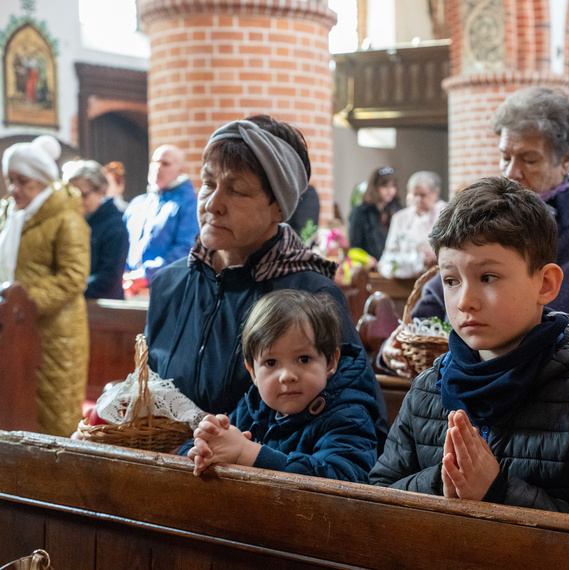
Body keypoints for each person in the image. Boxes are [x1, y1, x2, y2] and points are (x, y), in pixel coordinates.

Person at [369, 177, 569, 513]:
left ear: (546, 284)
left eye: (488, 278)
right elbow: (377, 497)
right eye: (451, 280)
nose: (465, 301)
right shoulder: (426, 390)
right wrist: (440, 480)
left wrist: (496, 491)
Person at [144, 115, 388, 447]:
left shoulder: (312, 294)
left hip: (262, 483)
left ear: (278, 207)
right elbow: (152, 390)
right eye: (208, 183)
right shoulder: (170, 285)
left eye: (237, 191)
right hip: (163, 473)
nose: (213, 204)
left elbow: (357, 429)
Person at [382, 87, 569, 378]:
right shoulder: (480, 224)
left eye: (529, 160)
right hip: (457, 392)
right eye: (505, 157)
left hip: (553, 405)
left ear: (567, 158)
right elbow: (431, 304)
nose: (511, 172)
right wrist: (398, 343)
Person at [182, 289, 379, 482]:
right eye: (271, 363)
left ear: (330, 362)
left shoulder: (349, 417)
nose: (287, 376)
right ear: (252, 372)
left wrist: (247, 453)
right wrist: (205, 447)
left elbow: (343, 483)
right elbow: (206, 448)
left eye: (303, 359)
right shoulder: (251, 409)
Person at [0, 135, 90, 436]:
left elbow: (74, 276)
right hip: (11, 330)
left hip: (54, 334)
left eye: (23, 181)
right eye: (10, 180)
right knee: (14, 410)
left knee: (54, 418)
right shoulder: (10, 216)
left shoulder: (66, 218)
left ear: (41, 180)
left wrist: (24, 305)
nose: (14, 189)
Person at [123, 144, 199, 286]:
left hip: (165, 286)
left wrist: (147, 275)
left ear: (180, 171)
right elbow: (122, 244)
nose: (157, 168)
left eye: (165, 164)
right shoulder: (138, 203)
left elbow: (186, 250)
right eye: (155, 162)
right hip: (129, 284)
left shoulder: (188, 205)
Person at [64, 160, 130, 300]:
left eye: (83, 195)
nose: (77, 201)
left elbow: (108, 280)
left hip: (104, 311)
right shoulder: (70, 221)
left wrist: (67, 289)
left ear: (101, 191)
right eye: (71, 195)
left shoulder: (115, 226)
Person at [377, 171, 446, 279]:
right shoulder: (400, 218)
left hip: (435, 278)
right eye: (415, 195)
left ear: (435, 193)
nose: (418, 200)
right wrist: (416, 260)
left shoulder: (445, 215)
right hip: (402, 279)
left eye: (423, 195)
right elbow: (388, 254)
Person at [348, 166, 404, 260]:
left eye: (393, 186)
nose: (390, 191)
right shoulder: (360, 212)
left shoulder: (398, 211)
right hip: (370, 267)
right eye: (385, 186)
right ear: (374, 187)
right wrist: (367, 259)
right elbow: (354, 246)